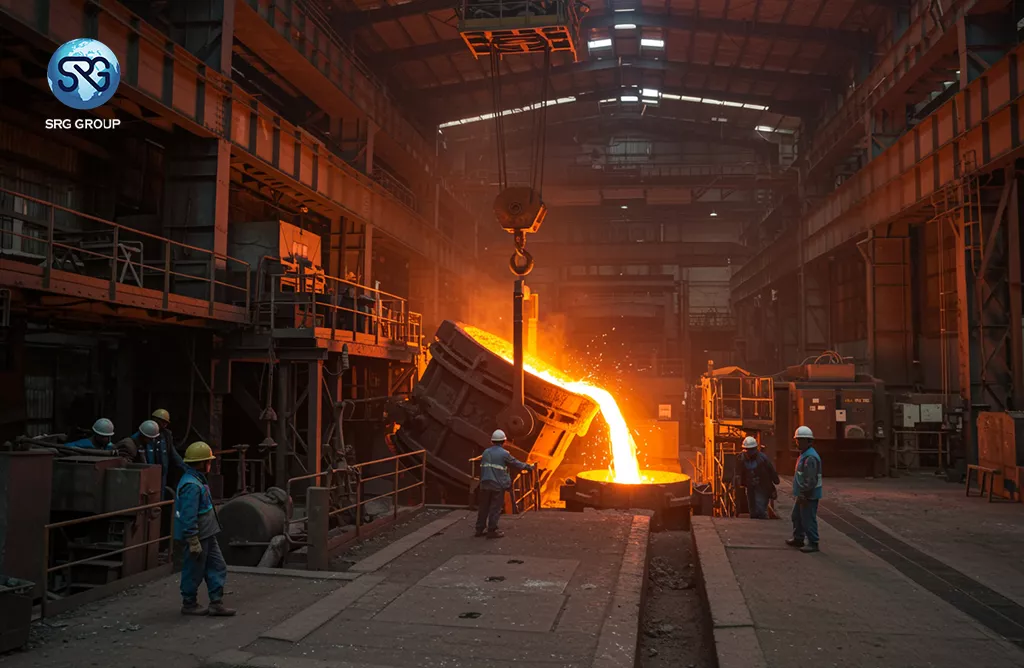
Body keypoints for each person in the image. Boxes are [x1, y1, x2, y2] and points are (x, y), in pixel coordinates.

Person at [175, 441, 235, 616]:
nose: (211, 463)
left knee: (218, 566)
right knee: (194, 570)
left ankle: (216, 603)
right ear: (202, 463)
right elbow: (188, 515)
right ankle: (189, 603)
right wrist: (192, 539)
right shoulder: (191, 485)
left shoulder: (197, 479)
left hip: (207, 534)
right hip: (198, 537)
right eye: (208, 461)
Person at [475, 429, 534, 539]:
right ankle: (492, 530)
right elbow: (516, 463)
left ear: (492, 441)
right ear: (504, 441)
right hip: (497, 485)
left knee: (483, 507)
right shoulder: (504, 454)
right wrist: (529, 467)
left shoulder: (486, 452)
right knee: (495, 508)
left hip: (484, 484)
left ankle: (479, 529)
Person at [786, 426, 823, 553]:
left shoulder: (810, 458)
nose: (798, 443)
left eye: (800, 440)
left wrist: (804, 493)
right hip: (803, 494)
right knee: (796, 516)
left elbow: (810, 480)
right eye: (797, 440)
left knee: (808, 518)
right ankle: (798, 538)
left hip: (808, 495)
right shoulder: (804, 455)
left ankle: (813, 542)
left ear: (809, 441)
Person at [137, 410, 184, 499]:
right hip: (147, 473)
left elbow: (174, 455)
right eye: (162, 422)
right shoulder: (144, 434)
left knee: (159, 497)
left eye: (165, 423)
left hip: (161, 474)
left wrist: (186, 468)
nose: (163, 425)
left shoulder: (166, 436)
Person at [736, 436, 778, 519]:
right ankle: (755, 519)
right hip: (750, 486)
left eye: (751, 449)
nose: (749, 452)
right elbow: (738, 472)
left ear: (755, 449)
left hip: (762, 486)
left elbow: (771, 470)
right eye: (747, 449)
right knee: (752, 509)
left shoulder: (762, 459)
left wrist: (775, 482)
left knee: (761, 507)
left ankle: (763, 520)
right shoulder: (741, 459)